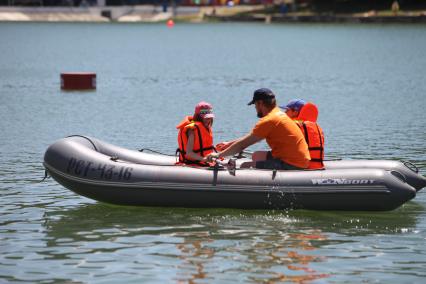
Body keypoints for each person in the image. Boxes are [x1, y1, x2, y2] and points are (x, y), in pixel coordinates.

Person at [207, 88, 310, 170]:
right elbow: (251, 137)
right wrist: (229, 144)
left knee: (245, 166)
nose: (255, 108)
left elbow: (243, 144)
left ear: (260, 103)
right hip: (299, 159)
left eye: (255, 104)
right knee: (257, 155)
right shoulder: (278, 114)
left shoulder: (269, 120)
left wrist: (218, 155)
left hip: (291, 163)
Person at [281, 99, 325, 170]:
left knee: (261, 161)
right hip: (317, 165)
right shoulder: (317, 127)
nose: (284, 113)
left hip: (301, 166)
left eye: (287, 110)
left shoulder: (294, 125)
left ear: (295, 112)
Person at [176, 102, 215, 166]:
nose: (208, 120)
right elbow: (189, 153)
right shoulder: (192, 129)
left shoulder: (206, 128)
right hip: (193, 163)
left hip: (204, 161)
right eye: (205, 118)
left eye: (209, 118)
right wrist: (205, 159)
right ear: (198, 116)